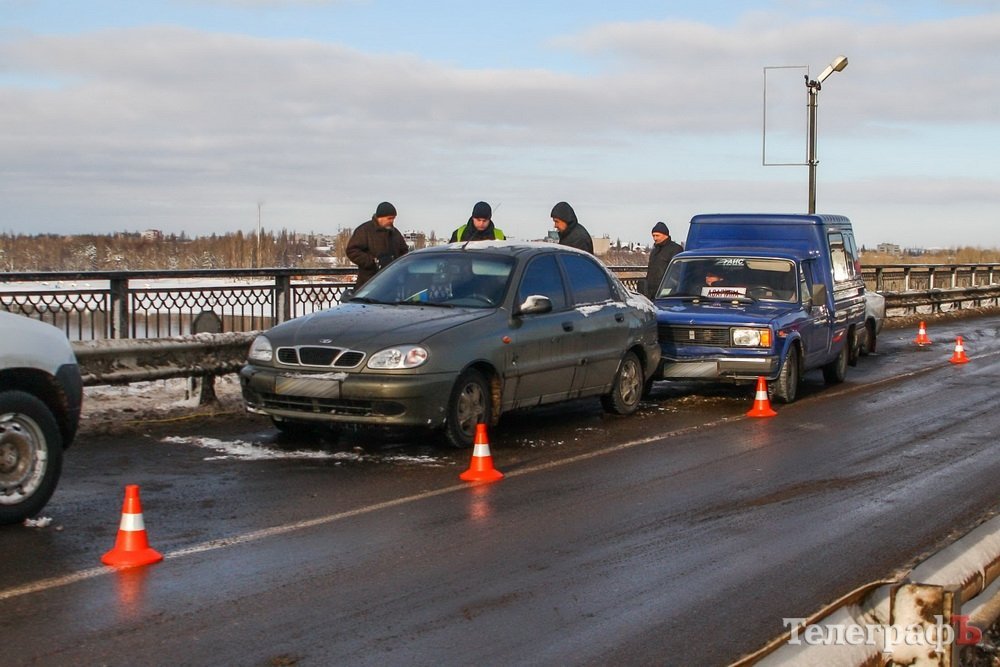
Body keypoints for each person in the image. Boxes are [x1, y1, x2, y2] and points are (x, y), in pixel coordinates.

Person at [346, 201, 409, 289]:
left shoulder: (395, 233)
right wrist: (373, 262)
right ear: (380, 217)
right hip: (369, 282)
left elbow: (404, 251)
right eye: (389, 218)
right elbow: (352, 251)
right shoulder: (364, 230)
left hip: (391, 282)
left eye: (393, 218)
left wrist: (397, 263)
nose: (392, 221)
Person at [644, 221, 683, 299]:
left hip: (667, 291)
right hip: (651, 293)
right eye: (653, 236)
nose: (655, 238)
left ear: (665, 235)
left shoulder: (675, 249)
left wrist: (671, 286)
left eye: (657, 235)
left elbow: (677, 271)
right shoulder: (654, 251)